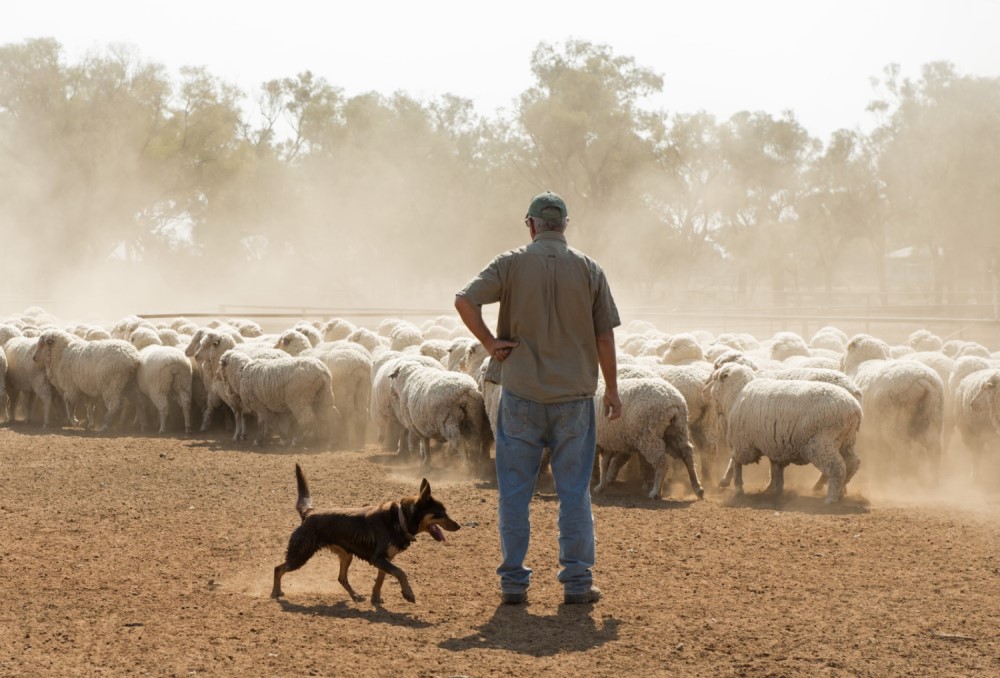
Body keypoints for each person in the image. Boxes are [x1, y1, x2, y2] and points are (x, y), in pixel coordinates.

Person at [454, 190, 622, 606]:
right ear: (564, 224)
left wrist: (491, 343)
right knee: (573, 492)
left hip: (522, 395)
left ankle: (513, 583)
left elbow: (463, 299)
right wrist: (613, 388)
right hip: (574, 398)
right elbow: (604, 335)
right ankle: (577, 583)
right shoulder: (589, 269)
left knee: (514, 492)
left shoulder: (509, 263)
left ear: (531, 224)